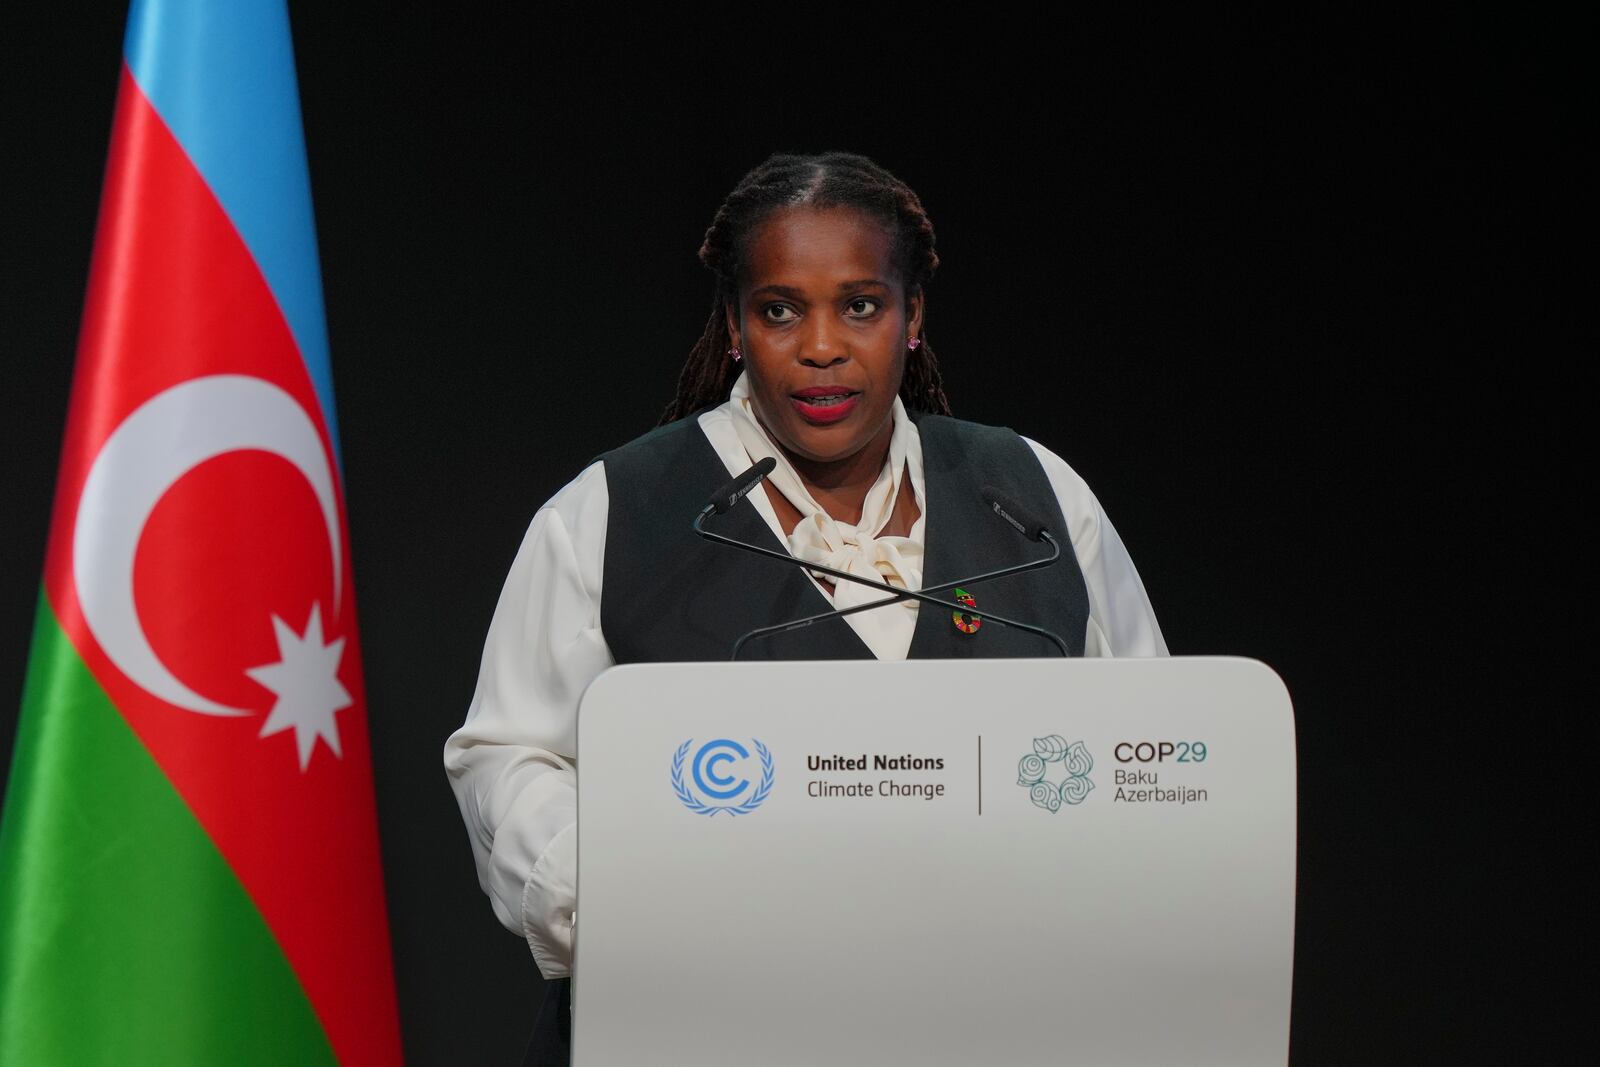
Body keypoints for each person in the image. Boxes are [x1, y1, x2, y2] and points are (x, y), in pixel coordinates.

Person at [443, 151, 1168, 1064]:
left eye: (861, 305)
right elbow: (508, 752)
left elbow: (1152, 741)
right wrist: (619, 904)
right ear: (738, 327)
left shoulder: (1032, 498)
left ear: (913, 320)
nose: (821, 345)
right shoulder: (615, 510)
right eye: (779, 309)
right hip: (700, 1029)